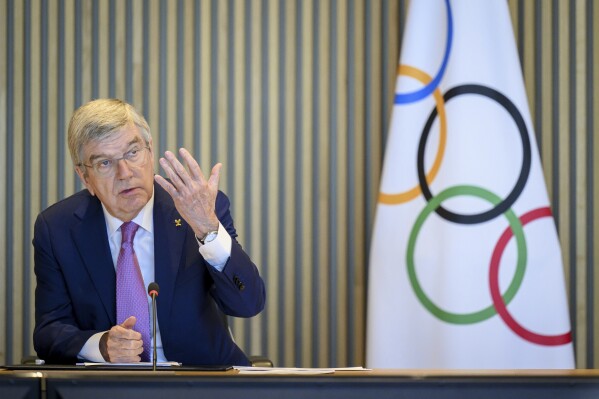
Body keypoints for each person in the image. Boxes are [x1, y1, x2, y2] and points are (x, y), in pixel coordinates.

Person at [32, 98, 265, 365]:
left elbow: (248, 304)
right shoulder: (57, 228)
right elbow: (49, 332)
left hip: (201, 381)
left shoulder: (199, 209)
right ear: (85, 177)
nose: (125, 173)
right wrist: (102, 346)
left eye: (132, 153)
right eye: (104, 163)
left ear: (150, 151)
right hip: (109, 388)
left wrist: (207, 228)